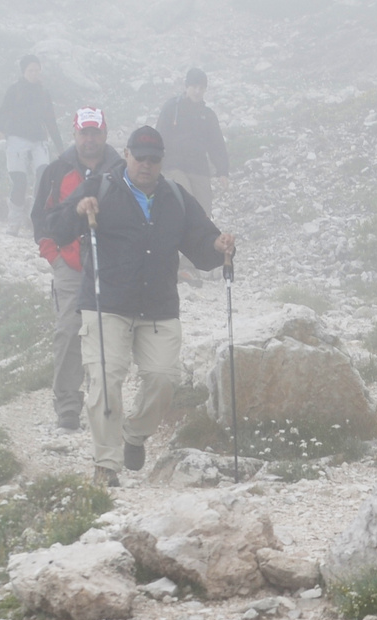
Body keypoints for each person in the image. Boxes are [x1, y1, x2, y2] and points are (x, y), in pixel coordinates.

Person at [48, 126, 236, 488]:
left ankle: (134, 435)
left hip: (159, 306)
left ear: (161, 161)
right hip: (106, 304)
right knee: (104, 380)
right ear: (127, 154)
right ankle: (106, 464)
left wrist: (219, 245)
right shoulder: (100, 188)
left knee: (165, 380)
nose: (146, 165)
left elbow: (201, 242)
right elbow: (56, 228)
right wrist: (78, 208)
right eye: (140, 157)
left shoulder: (175, 197)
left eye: (154, 159)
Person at [30, 107, 118, 431]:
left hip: (111, 264)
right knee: (69, 330)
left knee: (109, 332)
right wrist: (51, 254)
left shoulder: (122, 168)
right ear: (75, 134)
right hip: (69, 264)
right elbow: (40, 219)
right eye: (85, 132)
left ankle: (106, 400)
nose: (90, 139)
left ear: (105, 133)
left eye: (96, 132)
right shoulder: (56, 171)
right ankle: (67, 405)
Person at [157, 68, 232, 281]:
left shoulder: (208, 115)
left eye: (201, 87)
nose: (197, 91)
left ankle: (189, 266)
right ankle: (174, 263)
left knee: (202, 214)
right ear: (186, 86)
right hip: (173, 166)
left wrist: (222, 171)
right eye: (194, 86)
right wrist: (155, 162)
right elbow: (159, 133)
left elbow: (216, 143)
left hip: (199, 169)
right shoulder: (172, 108)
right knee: (184, 205)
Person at [0, 55, 64, 235]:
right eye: (30, 70)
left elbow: (51, 121)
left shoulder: (43, 93)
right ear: (23, 72)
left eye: (37, 70)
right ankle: (14, 223)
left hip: (39, 141)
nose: (34, 74)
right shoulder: (14, 90)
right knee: (20, 182)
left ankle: (35, 219)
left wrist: (60, 147)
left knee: (43, 178)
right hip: (16, 140)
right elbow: (3, 112)